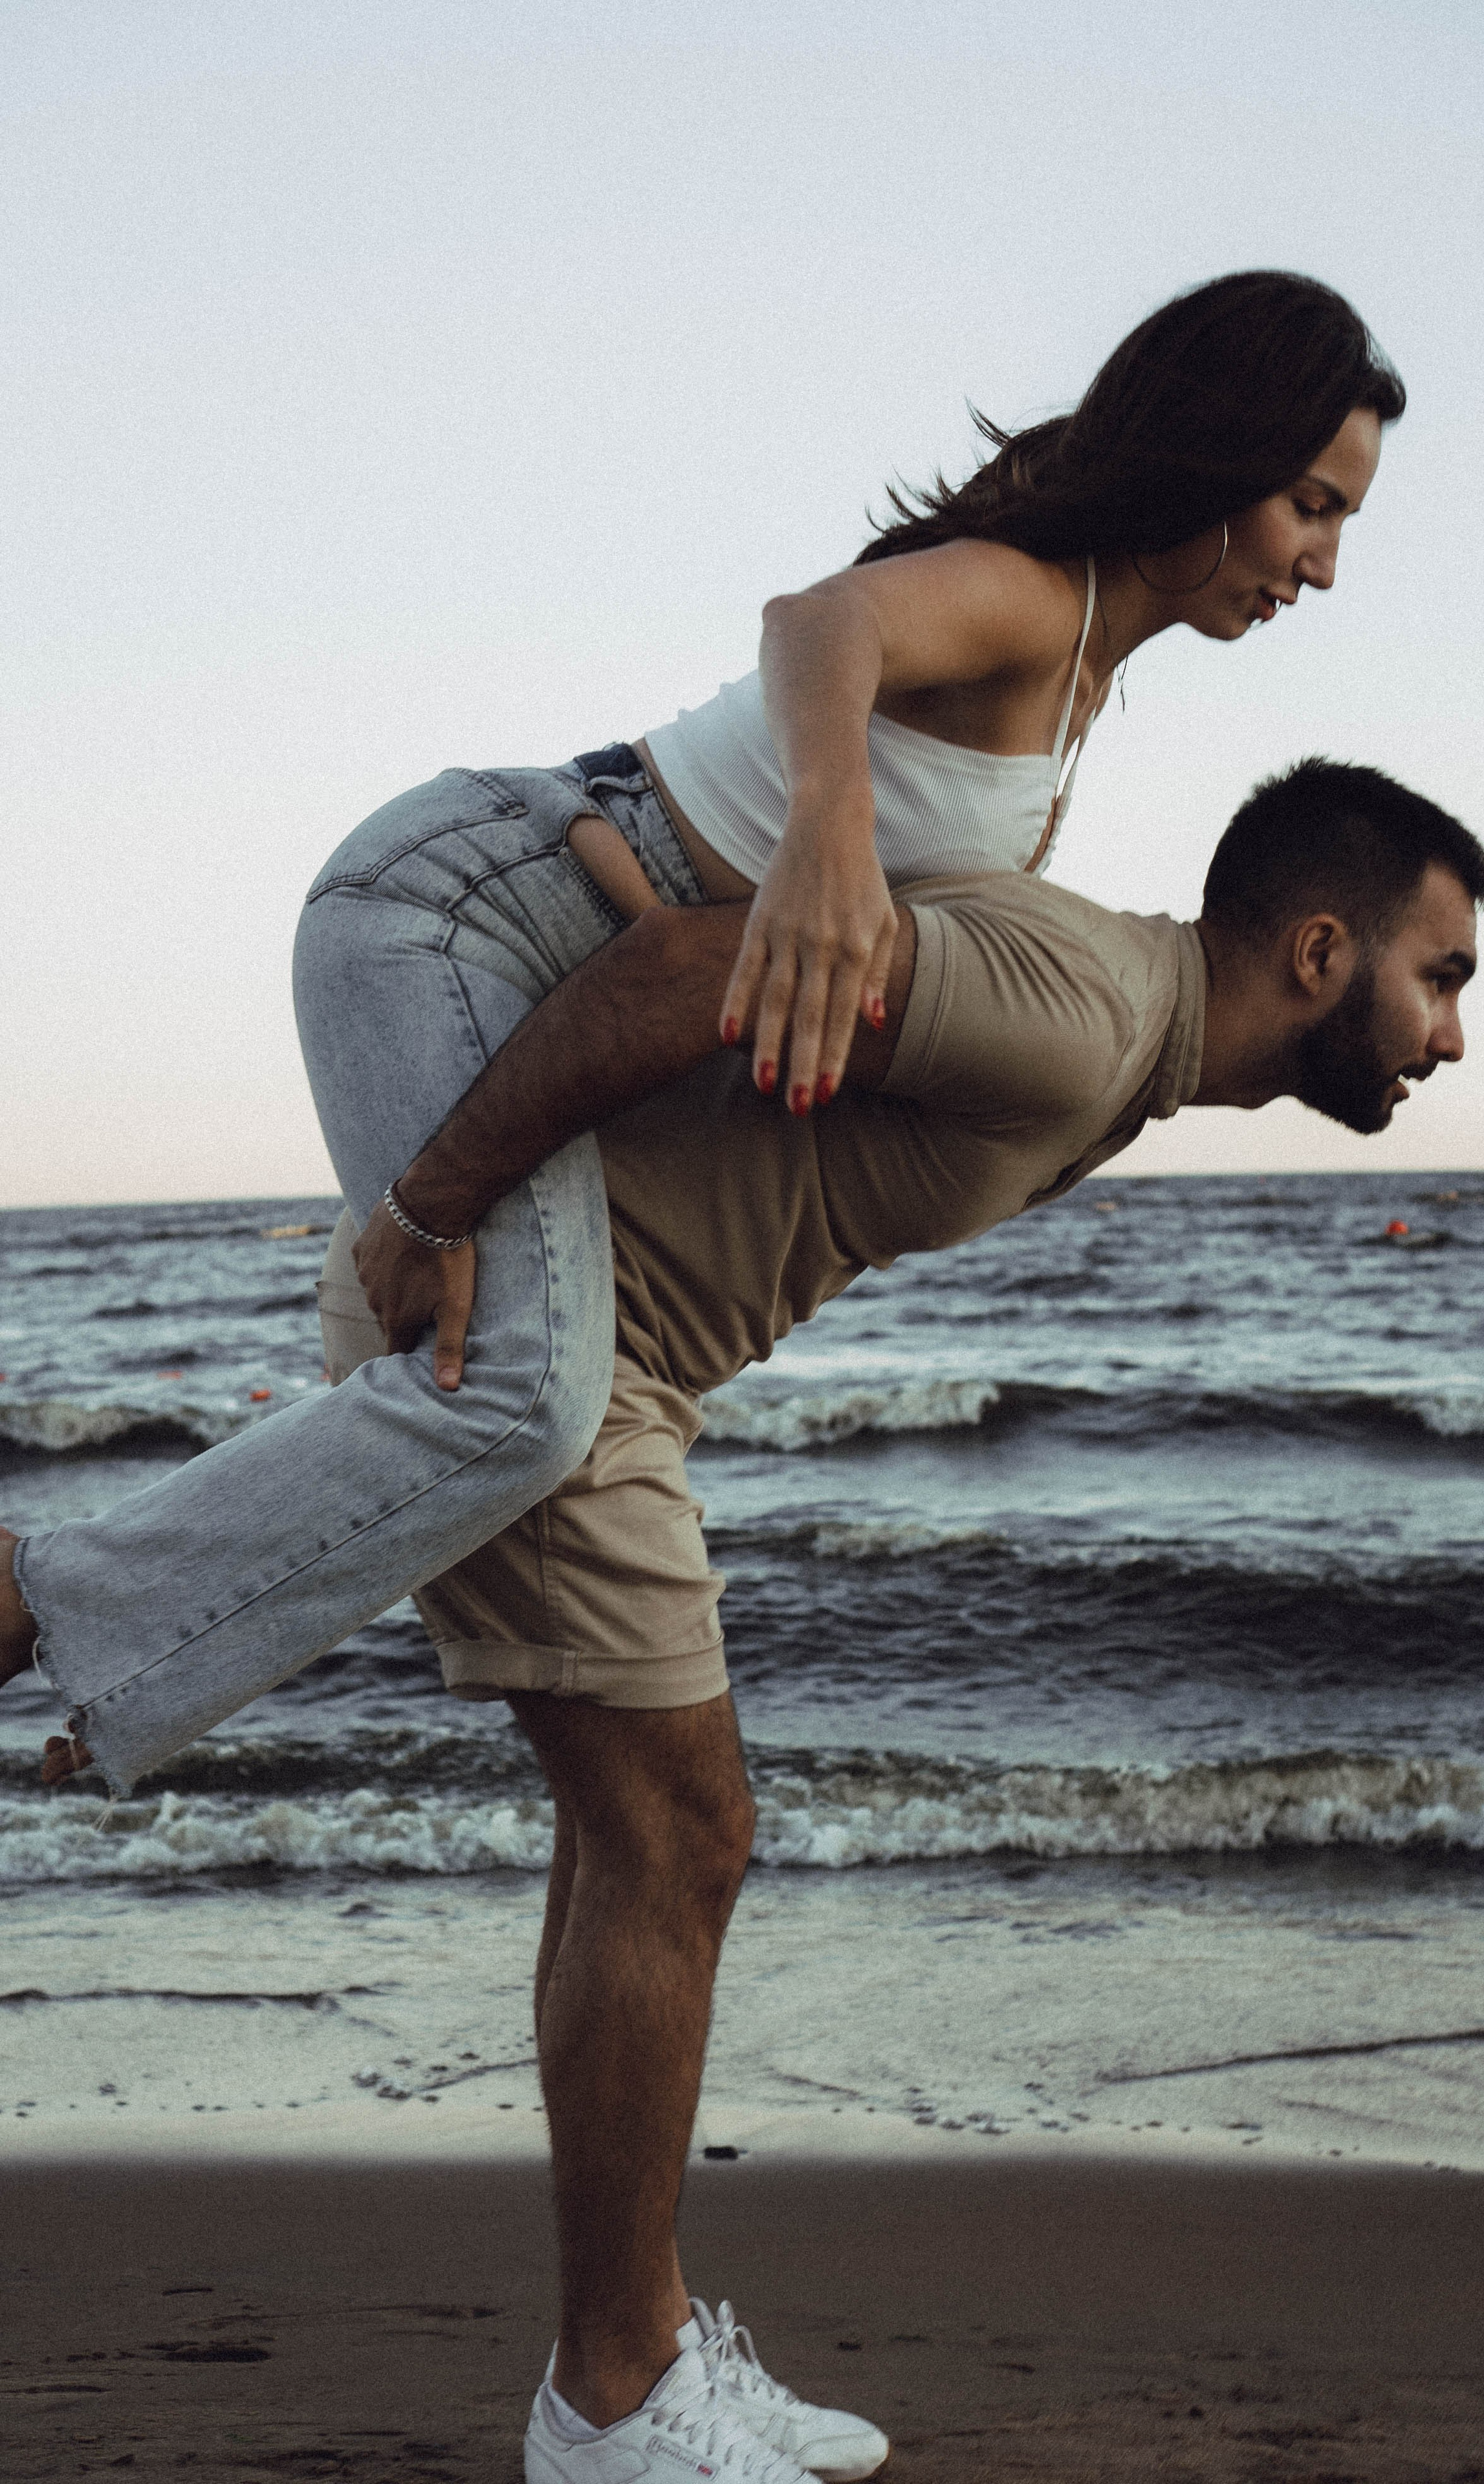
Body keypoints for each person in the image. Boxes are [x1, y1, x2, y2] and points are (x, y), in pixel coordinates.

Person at [234, 763, 1484, 2481]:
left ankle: (638, 2361)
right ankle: (613, 2403)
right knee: (679, 1839)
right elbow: (689, 968)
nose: (1451, 1039)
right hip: (544, 1357)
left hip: (614, 1375)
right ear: (1323, 951)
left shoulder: (1117, 1046)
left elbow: (747, 974)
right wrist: (431, 1211)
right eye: (1444, 982)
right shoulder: (1083, 1013)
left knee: (644, 1841)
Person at [0, 272, 1404, 1802]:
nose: (1320, 567)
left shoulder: (1078, 686)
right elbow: (820, 622)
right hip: (446, 908)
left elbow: (690, 917)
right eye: (1308, 507)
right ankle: (42, 1603)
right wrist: (828, 823)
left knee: (539, 1404)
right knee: (534, 1394)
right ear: (1218, 456)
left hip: (547, 922)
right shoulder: (1028, 597)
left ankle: (76, 1650)